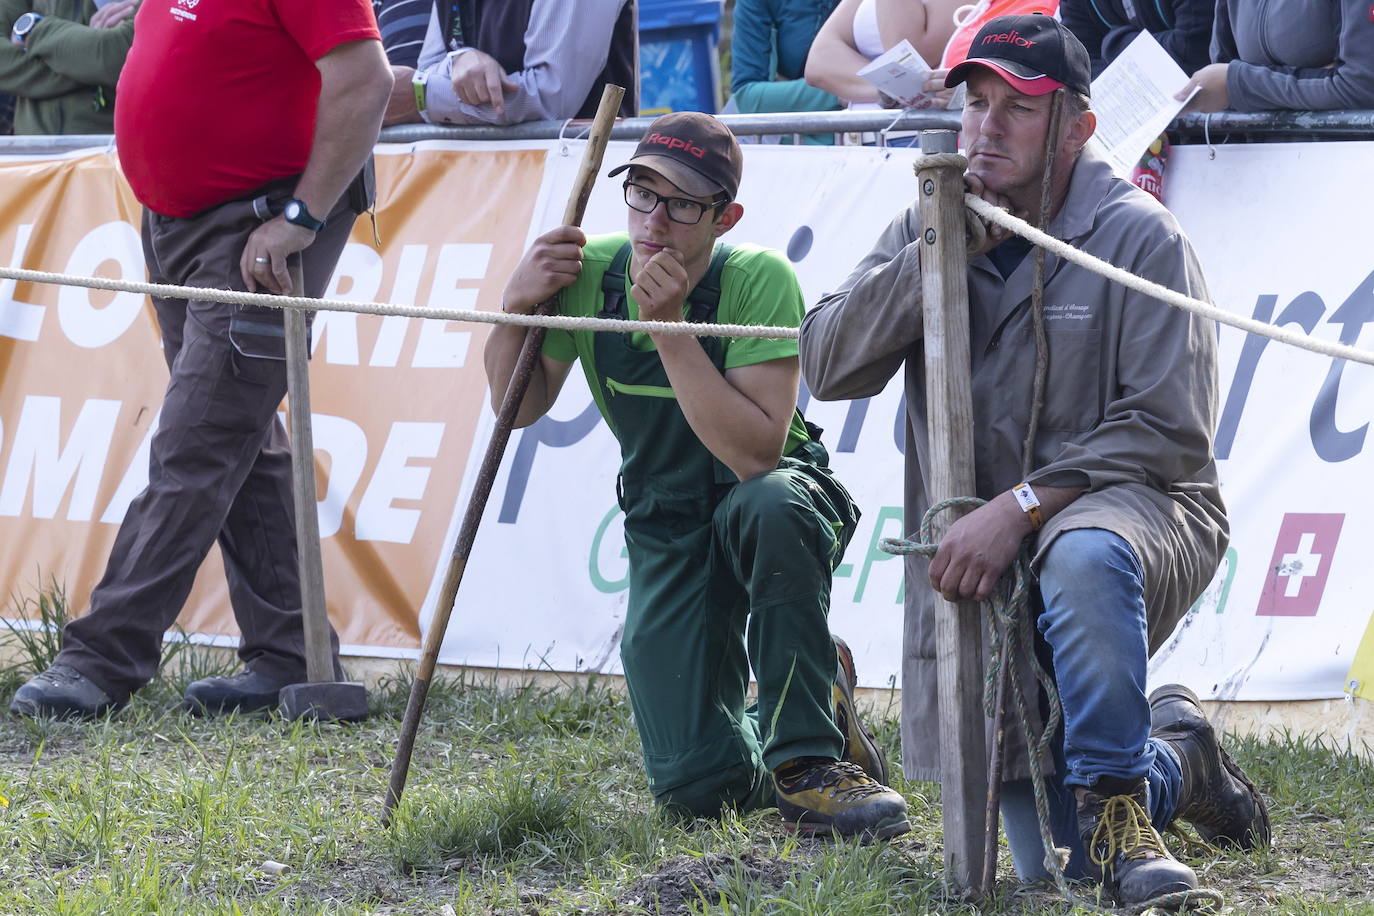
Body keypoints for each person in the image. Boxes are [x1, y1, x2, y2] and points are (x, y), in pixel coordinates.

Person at [799, 14, 1269, 905]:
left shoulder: (1142, 236)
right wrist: (933, 258)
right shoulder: (929, 218)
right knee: (1053, 856)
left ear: (1079, 127)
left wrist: (1018, 506)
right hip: (983, 547)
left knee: (1082, 553)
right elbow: (826, 363)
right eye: (975, 104)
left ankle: (1123, 806)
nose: (985, 128)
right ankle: (1177, 765)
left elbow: (1169, 432)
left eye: (1017, 109)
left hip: (1135, 512)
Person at [482, 111, 910, 839]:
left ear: (725, 217)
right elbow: (515, 407)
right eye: (643, 194)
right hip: (666, 519)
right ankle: (823, 700)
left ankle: (810, 766)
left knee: (769, 507)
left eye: (683, 204)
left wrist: (671, 330)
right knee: (695, 792)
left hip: (771, 497)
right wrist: (515, 306)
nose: (656, 220)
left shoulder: (758, 279)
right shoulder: (589, 274)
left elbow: (756, 456)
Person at [9, 0, 391, 719]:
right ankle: (290, 655)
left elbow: (366, 82)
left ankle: (99, 658)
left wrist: (302, 217)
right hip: (191, 224)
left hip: (260, 227)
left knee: (197, 445)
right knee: (239, 440)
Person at [383, 0, 636, 127]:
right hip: (491, 187)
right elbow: (430, 67)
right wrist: (461, 58)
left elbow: (551, 97)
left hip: (575, 196)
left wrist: (423, 97)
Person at [1180, 0, 1374, 112]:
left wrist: (1241, 84)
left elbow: (1360, 88)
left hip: (1349, 165)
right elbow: (1220, 77)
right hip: (1263, 162)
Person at [0, 0, 136, 135]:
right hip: (31, 148)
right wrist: (84, 52)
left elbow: (116, 55)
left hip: (109, 147)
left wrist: (31, 29)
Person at [804, 0, 962, 109]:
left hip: (922, 137)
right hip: (864, 135)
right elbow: (819, 64)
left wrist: (859, 86)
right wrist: (887, 91)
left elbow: (907, 56)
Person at [728, 0, 842, 144]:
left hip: (868, 136)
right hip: (796, 140)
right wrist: (843, 88)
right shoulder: (758, 4)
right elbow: (747, 96)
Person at [1059, 0, 1212, 76]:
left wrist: (1115, 44)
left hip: (1218, 125)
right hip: (1130, 120)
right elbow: (1079, 70)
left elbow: (1193, 56)